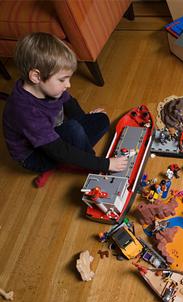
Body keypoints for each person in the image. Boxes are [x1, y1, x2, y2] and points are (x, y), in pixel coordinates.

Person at [3, 32, 128, 187]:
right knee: (73, 130)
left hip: (53, 137)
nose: (68, 85)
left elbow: (70, 103)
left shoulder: (47, 87)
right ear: (36, 77)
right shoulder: (24, 111)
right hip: (35, 157)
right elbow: (57, 150)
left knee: (101, 119)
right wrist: (105, 164)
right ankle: (84, 164)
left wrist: (84, 119)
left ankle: (73, 159)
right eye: (62, 79)